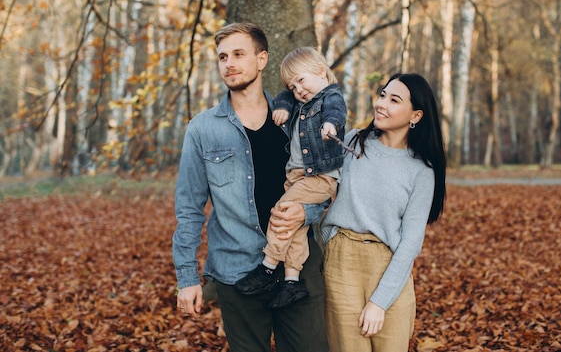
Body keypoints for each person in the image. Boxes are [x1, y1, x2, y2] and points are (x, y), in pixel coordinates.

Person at [172, 22, 329, 352]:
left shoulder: (301, 120)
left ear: (262, 59)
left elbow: (328, 186)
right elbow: (188, 209)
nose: (228, 63)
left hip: (296, 266)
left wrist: (306, 210)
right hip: (237, 270)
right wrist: (186, 278)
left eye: (238, 54)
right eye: (222, 57)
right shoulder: (202, 130)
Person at [320, 73, 446, 352]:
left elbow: (411, 243)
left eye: (394, 99)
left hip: (390, 267)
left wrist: (379, 302)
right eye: (382, 95)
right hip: (342, 263)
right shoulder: (352, 141)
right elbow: (317, 185)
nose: (381, 104)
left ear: (415, 115)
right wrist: (331, 239)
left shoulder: (422, 171)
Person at [235, 47, 347, 310]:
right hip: (297, 177)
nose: (298, 90)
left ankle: (267, 266)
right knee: (295, 226)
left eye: (301, 80)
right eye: (293, 86)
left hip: (318, 176)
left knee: (282, 212)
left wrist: (330, 126)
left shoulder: (330, 96)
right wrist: (284, 106)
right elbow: (285, 95)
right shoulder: (299, 99)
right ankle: (292, 282)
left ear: (321, 71)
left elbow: (336, 111)